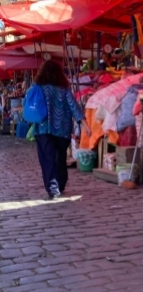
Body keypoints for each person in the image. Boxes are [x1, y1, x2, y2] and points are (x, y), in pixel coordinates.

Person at [34, 60, 90, 200]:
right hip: (62, 130)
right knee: (60, 157)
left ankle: (52, 189)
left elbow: (29, 104)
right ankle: (61, 184)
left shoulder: (37, 87)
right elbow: (73, 106)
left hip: (42, 129)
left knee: (47, 159)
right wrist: (85, 124)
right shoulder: (63, 88)